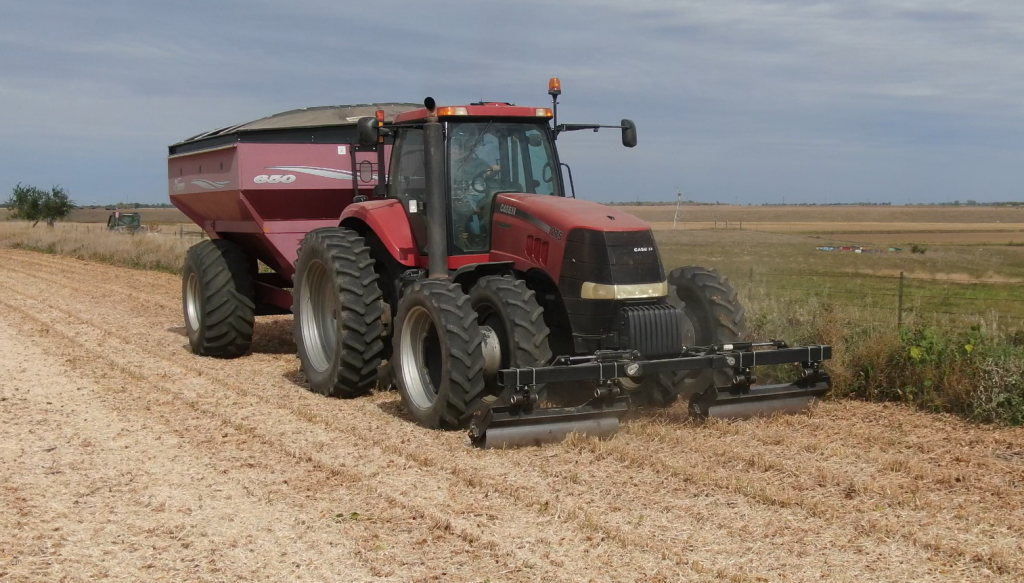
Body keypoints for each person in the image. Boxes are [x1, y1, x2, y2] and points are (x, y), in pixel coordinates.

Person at [449, 125, 501, 251]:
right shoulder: (453, 165)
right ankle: (474, 237)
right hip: (463, 197)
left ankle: (487, 235)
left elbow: (488, 174)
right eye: (459, 147)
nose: (460, 150)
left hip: (480, 196)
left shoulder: (480, 163)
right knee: (467, 208)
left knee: (493, 200)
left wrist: (494, 170)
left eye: (468, 147)